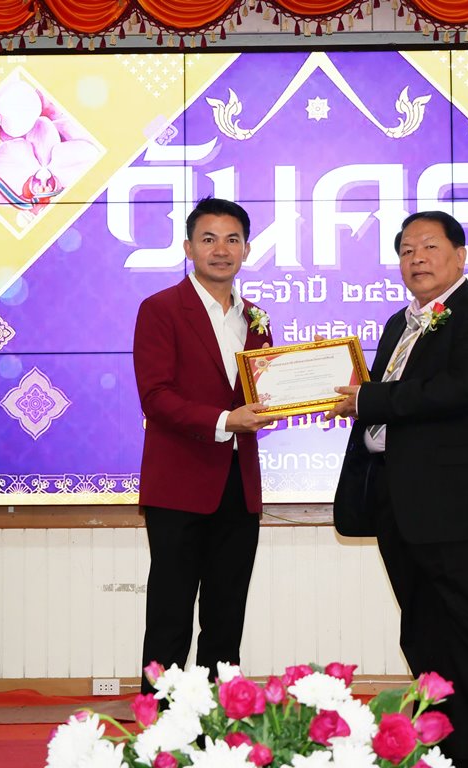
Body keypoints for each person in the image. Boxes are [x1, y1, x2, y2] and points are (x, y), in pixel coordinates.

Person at [329, 211, 468, 768]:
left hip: (460, 510)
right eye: (407, 250)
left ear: (460, 256)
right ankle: (444, 749)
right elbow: (390, 403)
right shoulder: (398, 324)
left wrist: (368, 399)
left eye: (430, 247)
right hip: (400, 506)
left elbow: (464, 389)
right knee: (424, 636)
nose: (417, 259)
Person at [133, 197, 275, 679]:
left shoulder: (257, 318)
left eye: (232, 240)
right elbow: (156, 397)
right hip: (179, 483)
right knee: (170, 613)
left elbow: (262, 392)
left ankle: (222, 712)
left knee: (227, 614)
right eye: (209, 239)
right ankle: (162, 716)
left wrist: (282, 401)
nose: (221, 250)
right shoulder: (160, 309)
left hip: (240, 483)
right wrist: (226, 420)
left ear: (247, 249)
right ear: (188, 248)